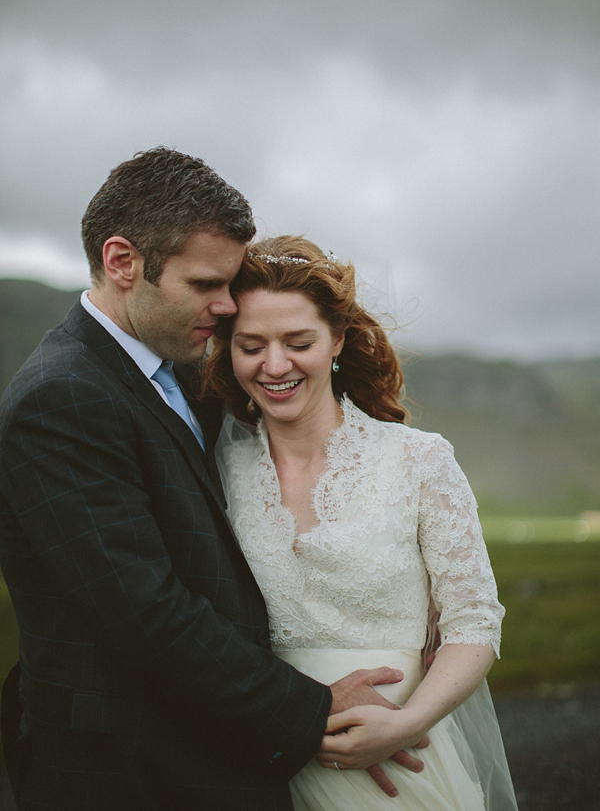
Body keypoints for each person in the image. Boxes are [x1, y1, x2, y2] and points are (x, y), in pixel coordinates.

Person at [0, 150, 420, 811]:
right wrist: (312, 710)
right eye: (205, 285)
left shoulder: (187, 373)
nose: (227, 307)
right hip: (129, 773)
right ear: (122, 262)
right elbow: (146, 613)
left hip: (219, 750)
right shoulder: (59, 401)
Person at [203, 235, 519, 810]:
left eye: (298, 342)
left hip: (401, 761)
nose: (274, 366)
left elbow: (475, 621)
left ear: (337, 341)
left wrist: (406, 723)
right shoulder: (213, 471)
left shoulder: (419, 460)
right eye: (251, 345)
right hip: (261, 760)